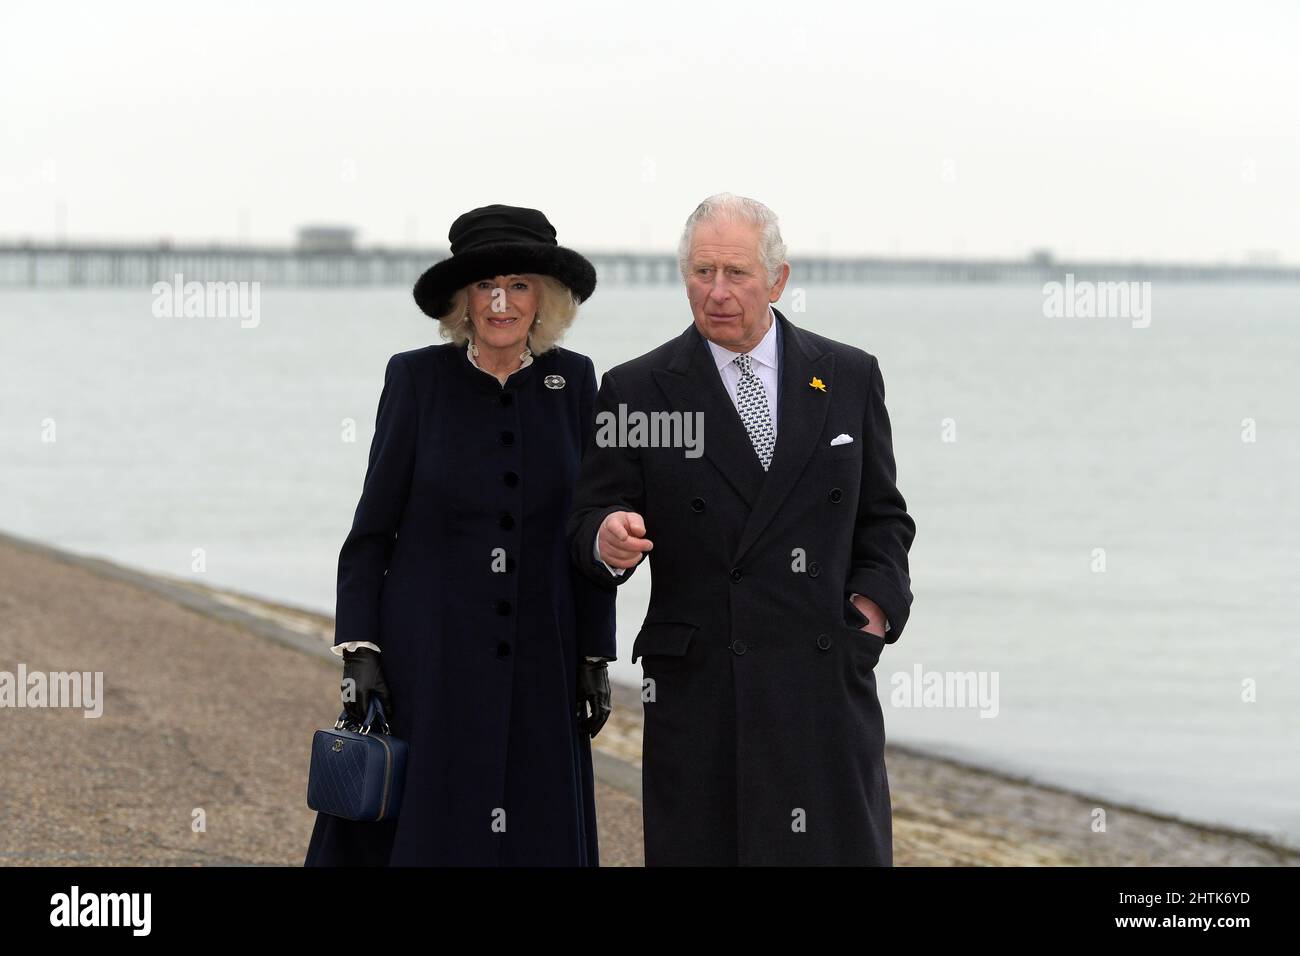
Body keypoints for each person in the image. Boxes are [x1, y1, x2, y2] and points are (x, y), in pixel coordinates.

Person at [567, 193, 915, 865]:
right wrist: (607, 538)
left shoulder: (847, 374)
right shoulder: (637, 390)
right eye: (701, 273)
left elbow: (884, 516)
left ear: (778, 280)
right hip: (702, 690)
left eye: (736, 274)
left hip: (822, 681)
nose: (716, 292)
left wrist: (870, 612)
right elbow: (589, 518)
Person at [306, 204, 616, 866]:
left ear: (546, 299)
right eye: (485, 286)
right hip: (430, 657)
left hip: (543, 656)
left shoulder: (577, 383)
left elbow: (585, 530)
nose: (501, 302)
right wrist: (359, 648)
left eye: (519, 285)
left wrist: (595, 655)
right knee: (430, 829)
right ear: (463, 300)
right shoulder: (417, 379)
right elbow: (371, 529)